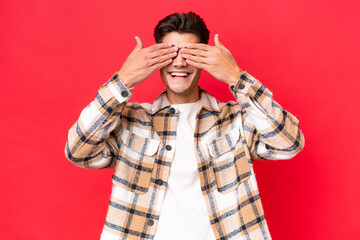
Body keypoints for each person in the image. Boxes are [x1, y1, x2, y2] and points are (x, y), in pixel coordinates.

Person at [65, 12, 304, 240]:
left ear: (205, 59)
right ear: (156, 58)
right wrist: (122, 81)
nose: (179, 63)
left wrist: (237, 77)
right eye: (170, 53)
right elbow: (77, 152)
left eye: (190, 54)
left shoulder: (234, 120)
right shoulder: (131, 121)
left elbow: (289, 144)